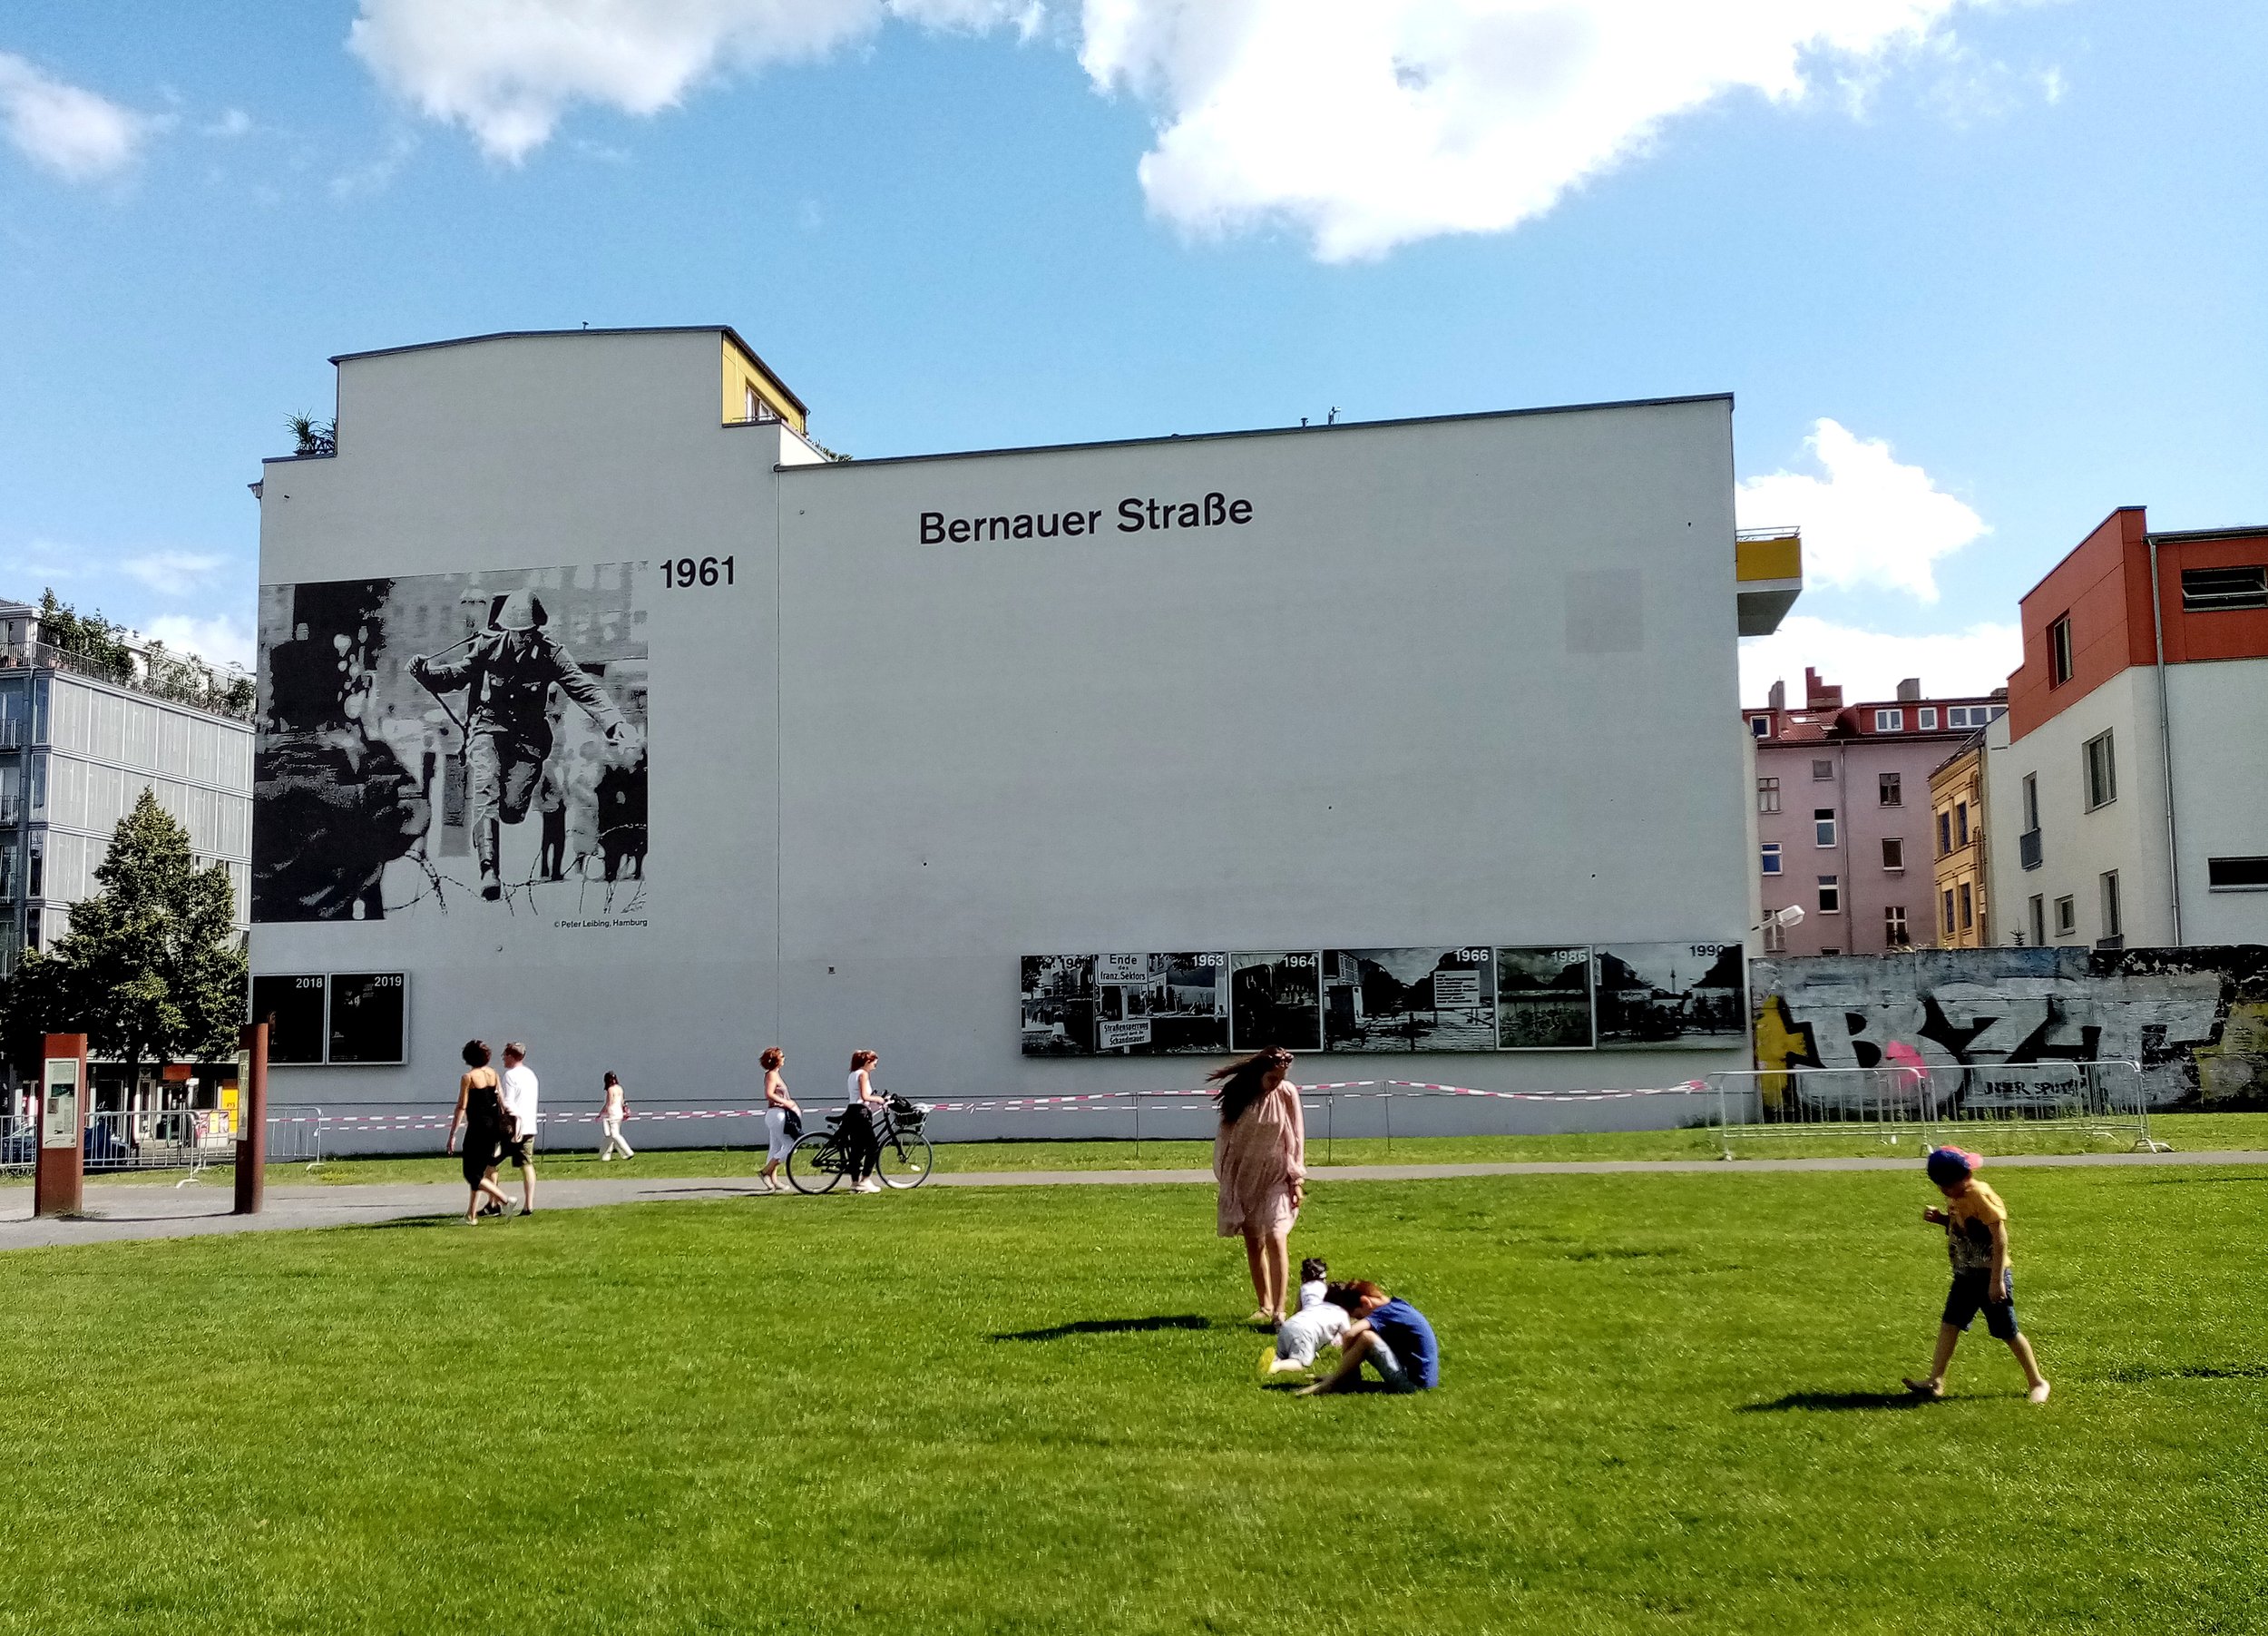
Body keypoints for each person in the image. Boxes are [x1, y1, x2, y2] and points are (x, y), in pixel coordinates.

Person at [408, 590, 638, 901]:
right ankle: (489, 871)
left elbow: (584, 688)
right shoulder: (488, 645)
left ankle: (509, 811)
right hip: (489, 730)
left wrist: (616, 722)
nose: (522, 639)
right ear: (506, 629)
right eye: (516, 633)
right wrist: (425, 672)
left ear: (537, 629)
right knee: (485, 789)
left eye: (528, 633)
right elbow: (457, 675)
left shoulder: (551, 653)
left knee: (512, 811)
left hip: (529, 742)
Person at [1904, 1147, 2050, 1404]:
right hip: (1965, 1275)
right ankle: (1935, 1380)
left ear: (1963, 1177)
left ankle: (2037, 1382)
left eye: (1946, 1185)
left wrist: (1996, 1281)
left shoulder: (1980, 1195)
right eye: (1940, 1186)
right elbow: (1964, 1227)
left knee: (2007, 1331)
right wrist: (1941, 1220)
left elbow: (1999, 1239)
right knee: (1950, 1324)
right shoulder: (1957, 1195)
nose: (1943, 1191)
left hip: (1989, 1276)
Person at [1209, 1046, 1305, 1324]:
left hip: (1277, 1176)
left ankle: (1279, 1311)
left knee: (1276, 1235)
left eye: (1281, 1078)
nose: (1277, 1083)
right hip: (1245, 1178)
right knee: (1254, 1241)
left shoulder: (1286, 1093)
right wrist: (1228, 1181)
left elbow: (1296, 1136)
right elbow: (1225, 1141)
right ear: (1258, 1074)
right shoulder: (1238, 1097)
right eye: (1272, 1078)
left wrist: (1296, 1178)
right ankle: (1264, 1305)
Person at [1298, 1280, 1440, 1396]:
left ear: (1366, 1302)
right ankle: (1343, 1378)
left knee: (1367, 1337)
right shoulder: (1396, 1305)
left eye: (1359, 1316)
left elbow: (1350, 1334)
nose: (1361, 1319)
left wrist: (1337, 1376)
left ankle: (1333, 1383)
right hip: (1421, 1381)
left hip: (1414, 1386)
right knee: (1365, 1335)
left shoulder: (1384, 1312)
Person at [444, 1040, 515, 1223]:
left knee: (471, 1174)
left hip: (477, 1129)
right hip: (494, 1128)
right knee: (480, 1171)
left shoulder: (468, 1078)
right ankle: (471, 1215)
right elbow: (501, 1101)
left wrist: (453, 1134)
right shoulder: (493, 1074)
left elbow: (462, 1106)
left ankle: (505, 1200)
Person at [1262, 1258, 1350, 1376]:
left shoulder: (1304, 1289)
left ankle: (1275, 1359)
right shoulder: (1341, 1312)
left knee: (1284, 1354)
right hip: (1305, 1331)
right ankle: (1276, 1366)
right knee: (1300, 1362)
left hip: (1289, 1325)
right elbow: (1349, 1336)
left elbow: (1297, 1311)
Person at [498, 1041, 542, 1215]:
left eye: (505, 1055)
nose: (503, 1058)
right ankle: (528, 1205)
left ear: (511, 1056)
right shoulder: (531, 1074)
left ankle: (494, 1201)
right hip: (529, 1126)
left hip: (511, 1127)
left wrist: (499, 1102)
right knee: (527, 1165)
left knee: (491, 1163)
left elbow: (508, 1102)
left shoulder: (510, 1076)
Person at [843, 1049, 885, 1195]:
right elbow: (864, 1096)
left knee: (857, 1149)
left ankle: (855, 1183)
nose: (874, 1067)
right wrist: (879, 1099)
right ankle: (865, 1179)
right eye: (874, 1063)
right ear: (867, 1062)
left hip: (851, 1111)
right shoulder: (863, 1074)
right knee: (873, 1146)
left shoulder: (852, 1074)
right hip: (861, 1113)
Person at [760, 1047, 801, 1192]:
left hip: (777, 1115)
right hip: (777, 1114)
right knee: (791, 1146)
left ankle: (773, 1180)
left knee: (775, 1148)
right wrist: (787, 1103)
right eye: (781, 1056)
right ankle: (766, 1171)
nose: (784, 1058)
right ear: (776, 1060)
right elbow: (769, 1094)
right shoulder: (772, 1075)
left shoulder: (775, 1074)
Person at [597, 1070, 634, 1161]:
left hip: (612, 1114)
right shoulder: (620, 1088)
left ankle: (628, 1152)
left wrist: (600, 1114)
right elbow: (622, 1102)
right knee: (610, 1136)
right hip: (619, 1113)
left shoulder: (610, 1089)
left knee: (614, 1135)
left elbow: (608, 1104)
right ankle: (605, 1156)